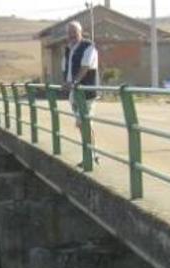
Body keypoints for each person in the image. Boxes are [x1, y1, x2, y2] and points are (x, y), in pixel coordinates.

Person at [61, 20, 99, 165]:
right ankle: (92, 154)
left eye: (74, 32)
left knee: (84, 123)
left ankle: (90, 157)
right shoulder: (68, 49)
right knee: (82, 124)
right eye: (69, 33)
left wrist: (74, 83)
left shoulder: (88, 46)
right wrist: (66, 83)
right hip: (74, 93)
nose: (71, 35)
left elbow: (85, 67)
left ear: (80, 32)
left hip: (86, 92)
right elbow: (66, 70)